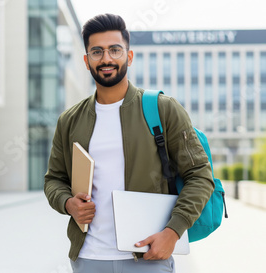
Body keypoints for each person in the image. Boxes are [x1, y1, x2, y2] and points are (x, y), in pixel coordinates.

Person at [44, 13, 215, 273]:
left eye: (115, 50)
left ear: (129, 56)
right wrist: (68, 203)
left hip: (148, 256)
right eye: (97, 52)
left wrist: (173, 232)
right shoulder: (69, 120)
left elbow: (200, 175)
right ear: (86, 61)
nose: (106, 59)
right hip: (88, 258)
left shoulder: (162, 109)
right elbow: (53, 180)